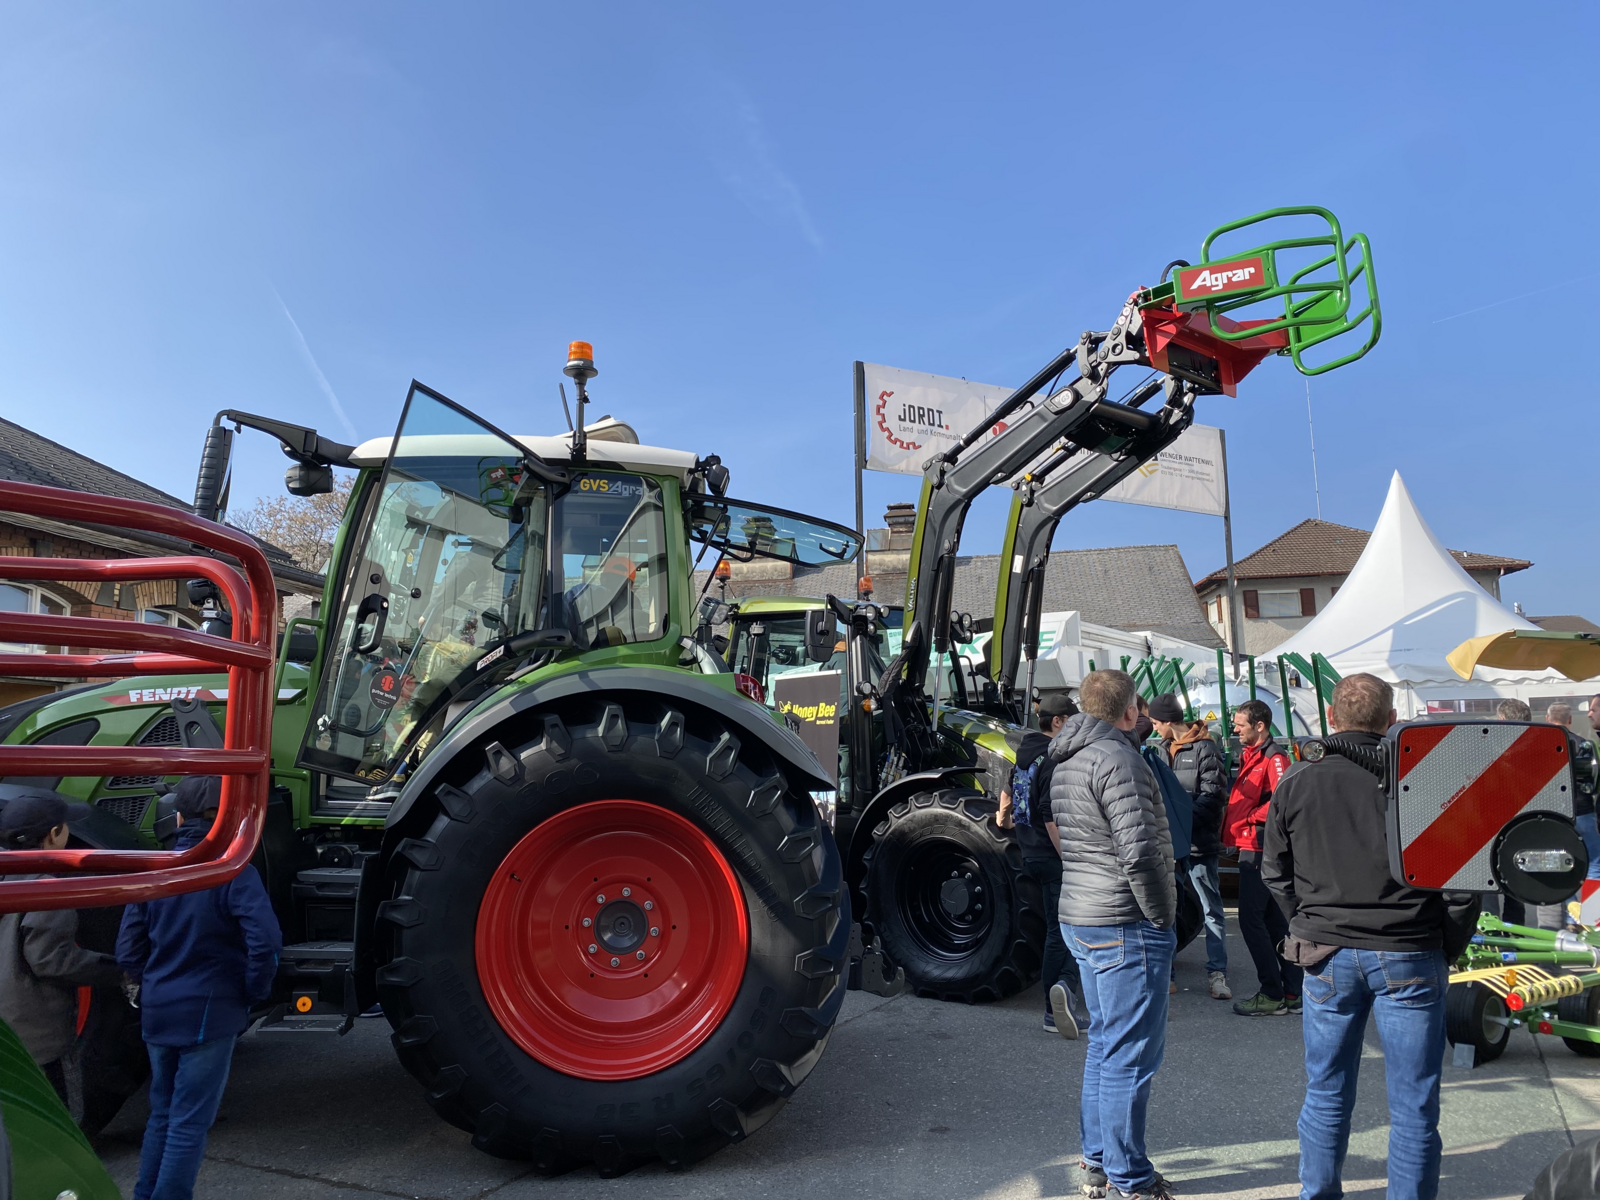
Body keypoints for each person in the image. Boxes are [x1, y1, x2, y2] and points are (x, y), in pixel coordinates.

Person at [1262, 673, 1480, 1200]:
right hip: (1409, 948)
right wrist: (1447, 946)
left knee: (1326, 1092)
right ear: (1391, 719)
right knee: (1414, 1103)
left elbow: (1274, 871)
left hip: (1327, 950)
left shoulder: (1297, 778)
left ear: (1330, 717)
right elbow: (1462, 885)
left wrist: (1306, 923)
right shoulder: (1425, 777)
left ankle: (1318, 1194)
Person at [117, 776, 282, 1200]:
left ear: (177, 817)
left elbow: (128, 948)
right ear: (225, 817)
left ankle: (144, 1194)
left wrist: (149, 983)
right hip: (211, 1010)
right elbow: (265, 941)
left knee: (162, 1114)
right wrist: (252, 990)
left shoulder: (154, 870)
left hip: (158, 1008)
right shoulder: (232, 871)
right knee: (189, 1122)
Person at [1049, 669, 1177, 1200]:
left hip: (1083, 914)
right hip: (1124, 919)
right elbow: (1141, 852)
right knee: (1129, 1054)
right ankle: (1130, 1176)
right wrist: (1162, 914)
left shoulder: (1067, 759)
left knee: (1106, 1044)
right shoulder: (1120, 759)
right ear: (1130, 712)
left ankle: (1099, 1159)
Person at [0, 790, 123, 1105]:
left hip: (6, 1034)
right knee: (57, 1112)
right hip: (36, 1039)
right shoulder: (48, 890)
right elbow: (52, 961)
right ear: (54, 834)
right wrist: (118, 969)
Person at [998, 692, 1088, 1037]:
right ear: (1058, 722)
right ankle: (1055, 1007)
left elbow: (1006, 794)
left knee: (1056, 929)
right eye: (1072, 721)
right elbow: (1050, 815)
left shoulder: (1023, 755)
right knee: (1062, 931)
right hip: (1053, 856)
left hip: (1029, 853)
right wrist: (1069, 858)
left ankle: (1061, 995)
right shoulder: (1053, 757)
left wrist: (1005, 821)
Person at [1149, 693, 1231, 1001]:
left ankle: (1217, 973)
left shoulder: (1205, 749)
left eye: (1156, 722)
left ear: (1168, 721)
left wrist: (1180, 822)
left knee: (1211, 909)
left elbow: (1213, 795)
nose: (1154, 728)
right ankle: (1167, 974)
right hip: (1171, 845)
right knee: (1169, 908)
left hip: (1198, 844)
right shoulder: (1158, 750)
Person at [1222, 699, 1300, 1016]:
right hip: (1253, 845)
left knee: (1251, 921)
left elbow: (1284, 799)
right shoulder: (1253, 754)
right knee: (1273, 921)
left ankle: (1272, 992)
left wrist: (1250, 817)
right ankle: (1291, 991)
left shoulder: (1274, 757)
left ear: (1259, 726)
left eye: (1240, 724)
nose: (1235, 729)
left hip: (1260, 847)